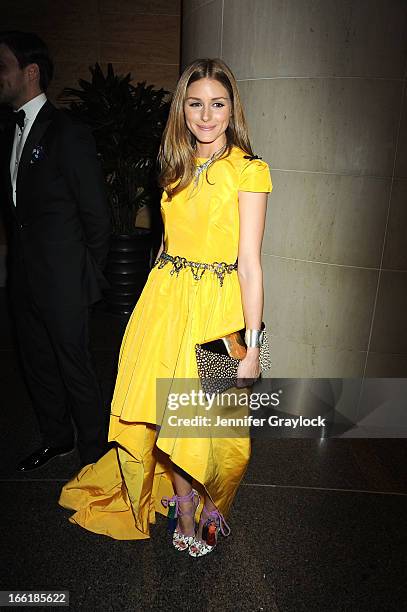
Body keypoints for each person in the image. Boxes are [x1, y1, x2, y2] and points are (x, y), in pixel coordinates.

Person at [59, 58, 272, 557]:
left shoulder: (249, 171)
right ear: (183, 109)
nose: (206, 115)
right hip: (165, 303)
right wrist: (148, 307)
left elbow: (251, 266)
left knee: (214, 421)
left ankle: (213, 501)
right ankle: (182, 506)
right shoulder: (173, 167)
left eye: (217, 104)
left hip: (218, 315)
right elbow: (164, 242)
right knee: (169, 417)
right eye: (195, 104)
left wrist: (253, 345)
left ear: (231, 109)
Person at [0, 31, 111, 470]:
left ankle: (94, 453)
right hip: (23, 277)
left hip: (64, 279)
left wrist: (82, 275)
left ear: (30, 72)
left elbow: (97, 218)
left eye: (2, 66)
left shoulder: (69, 133)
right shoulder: (7, 129)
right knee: (37, 364)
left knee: (75, 368)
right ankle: (56, 438)